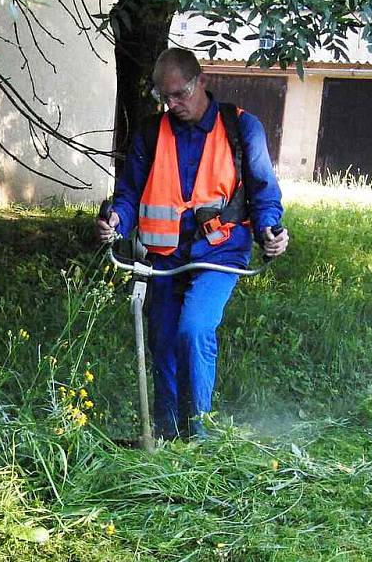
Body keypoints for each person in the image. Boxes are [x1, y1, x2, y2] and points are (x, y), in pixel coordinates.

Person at [96, 48, 288, 439]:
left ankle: (198, 437)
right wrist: (116, 220)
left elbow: (264, 192)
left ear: (201, 81)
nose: (173, 104)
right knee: (163, 342)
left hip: (220, 253)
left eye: (180, 94)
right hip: (163, 258)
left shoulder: (241, 129)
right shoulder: (151, 133)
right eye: (164, 97)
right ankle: (166, 434)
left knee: (194, 329)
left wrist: (270, 230)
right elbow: (129, 194)